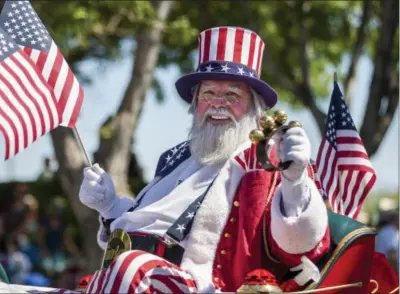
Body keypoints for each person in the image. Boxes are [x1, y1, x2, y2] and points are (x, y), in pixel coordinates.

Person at [79, 26, 330, 293]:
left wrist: (295, 180)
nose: (217, 104)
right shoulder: (177, 157)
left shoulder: (266, 161)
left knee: (129, 268)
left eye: (232, 95)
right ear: (195, 102)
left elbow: (301, 245)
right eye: (208, 93)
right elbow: (146, 223)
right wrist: (109, 206)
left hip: (201, 284)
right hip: (134, 275)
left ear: (255, 108)